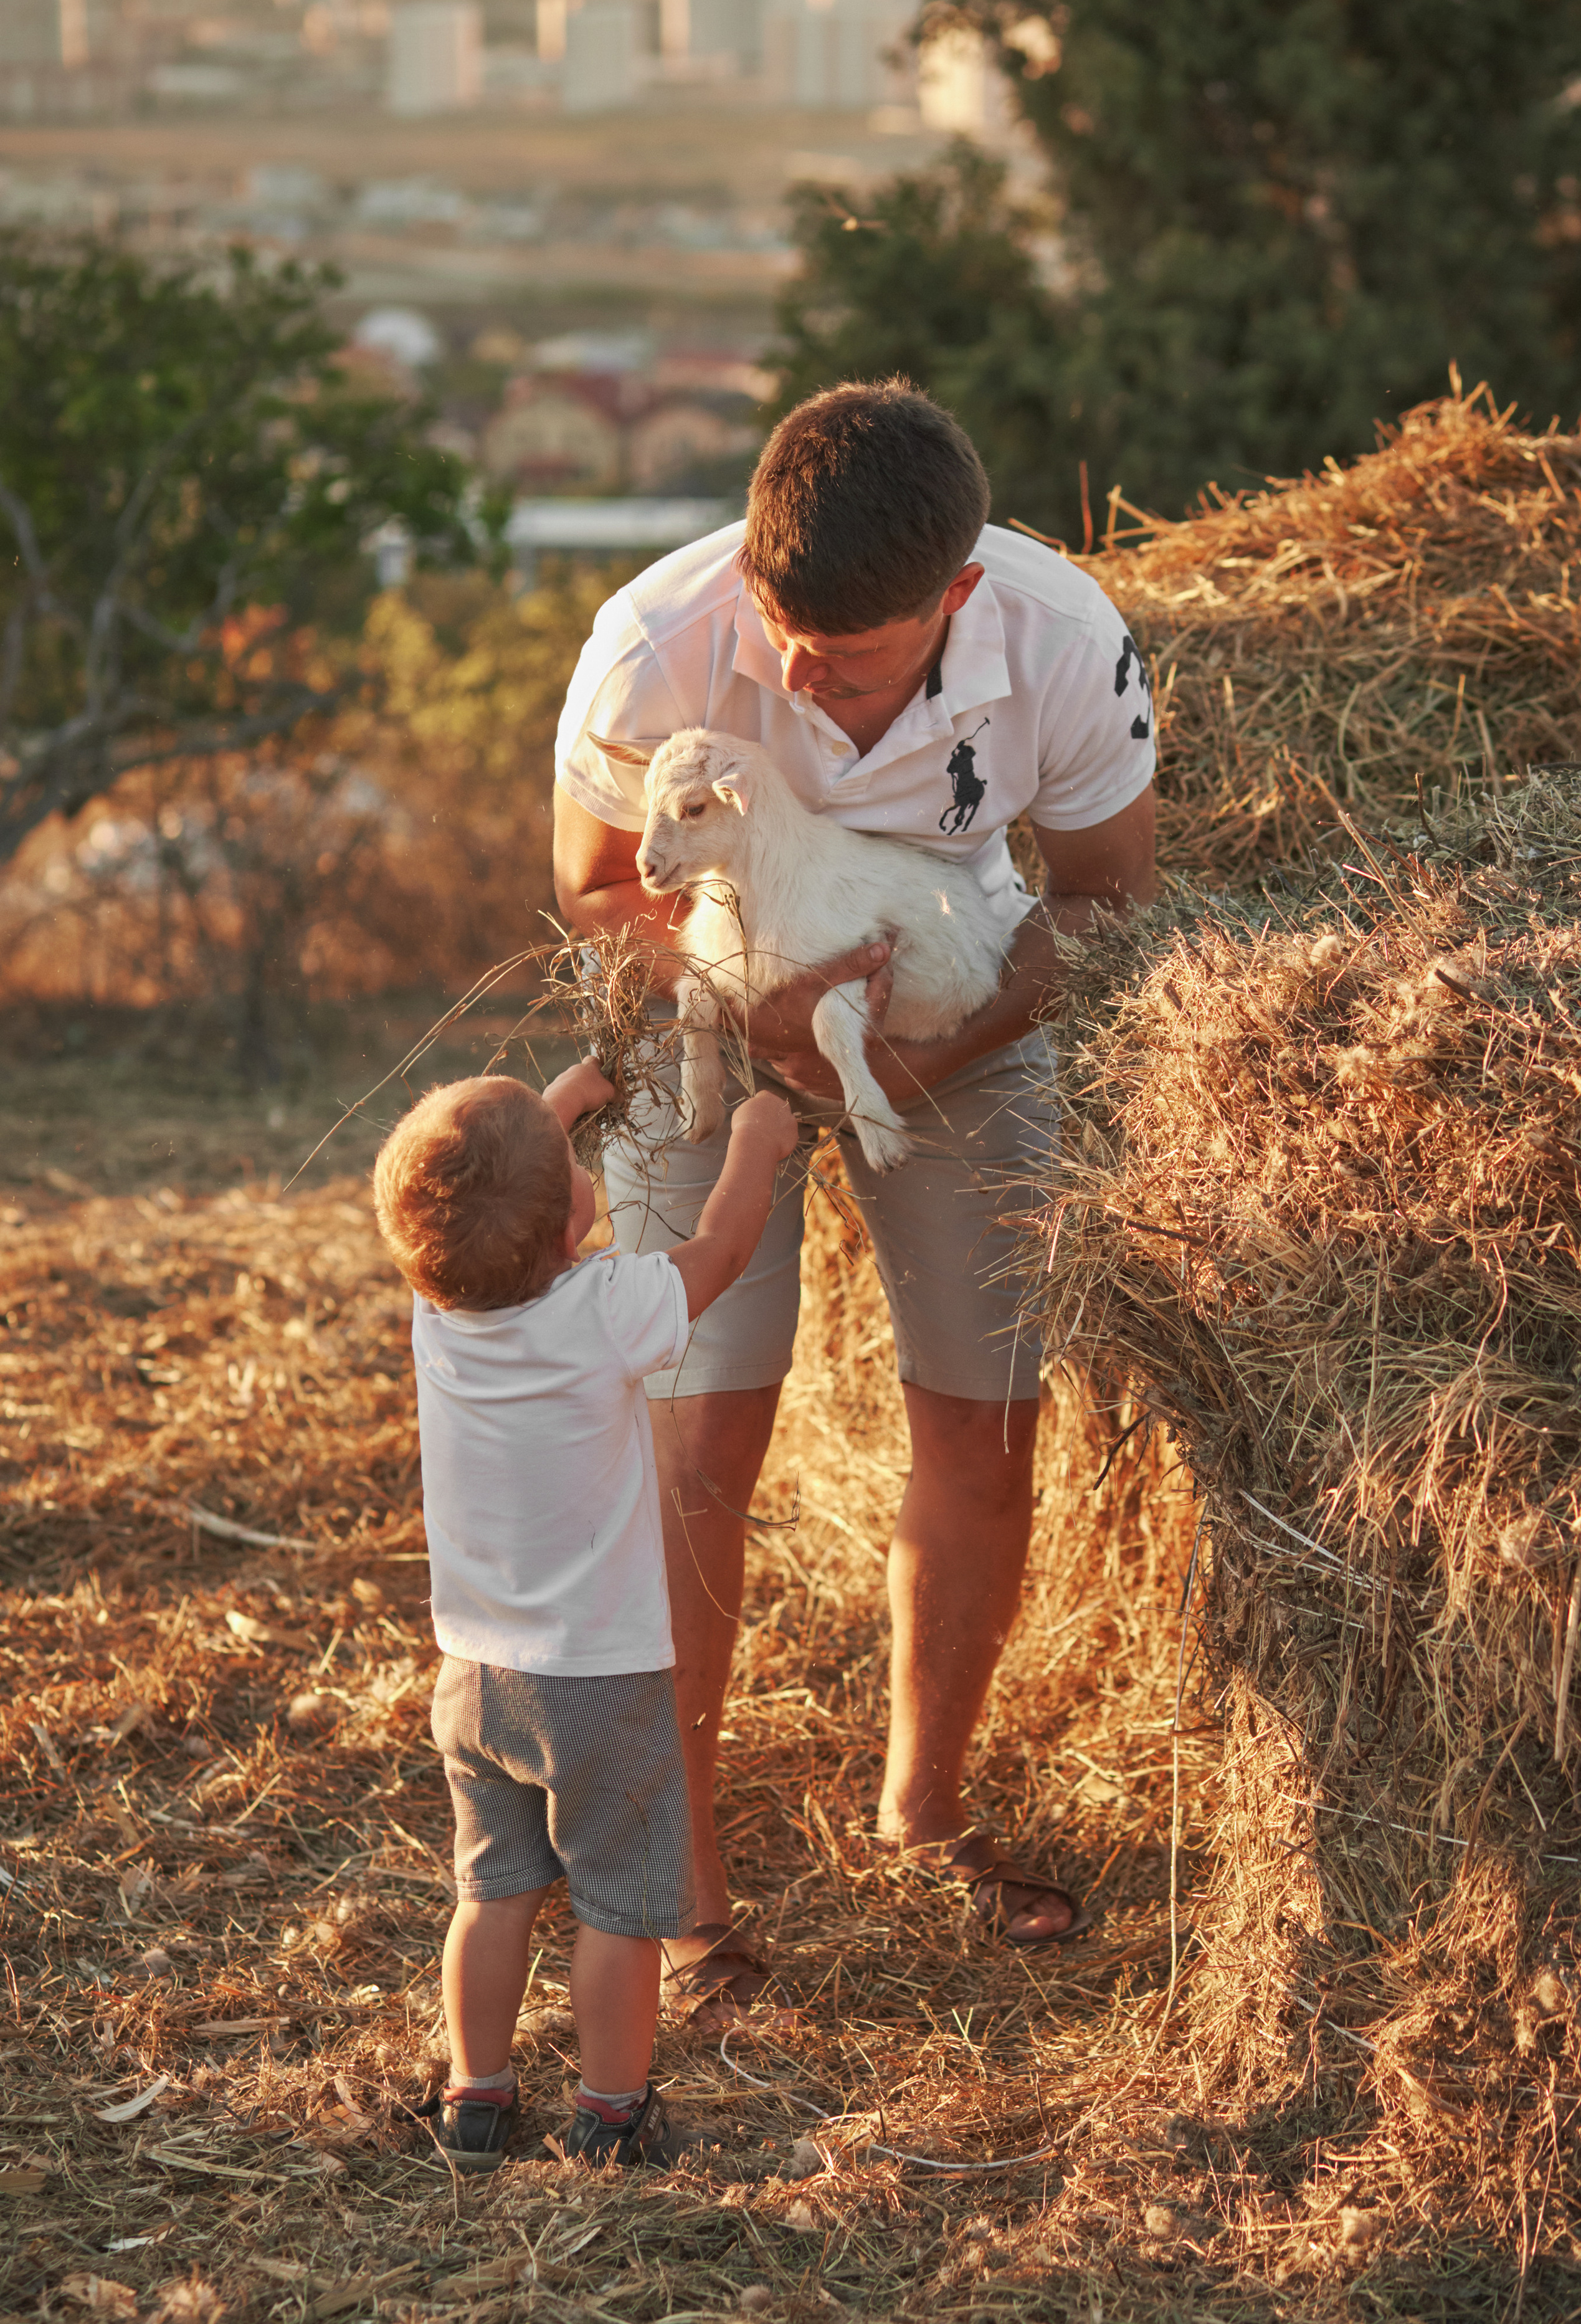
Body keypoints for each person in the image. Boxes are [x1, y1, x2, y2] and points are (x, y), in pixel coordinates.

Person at [551, 379, 1158, 2036]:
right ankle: (679, 1876)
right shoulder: (653, 642)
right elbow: (594, 886)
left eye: (855, 656)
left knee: (985, 1419)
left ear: (958, 600)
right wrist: (739, 1003)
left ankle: (926, 1808)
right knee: (693, 1443)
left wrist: (948, 1031)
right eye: (783, 635)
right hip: (709, 1024)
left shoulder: (1060, 632)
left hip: (968, 1014)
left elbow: (1106, 896)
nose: (802, 682)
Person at [371, 1060, 799, 2168]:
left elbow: (487, 1200)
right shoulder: (605, 1308)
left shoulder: (438, 1310)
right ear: (574, 1216)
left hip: (474, 1675)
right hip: (599, 1685)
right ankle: (611, 2114)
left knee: (494, 1890)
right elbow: (721, 1255)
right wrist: (756, 1139)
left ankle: (476, 2096)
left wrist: (562, 1104)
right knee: (619, 1908)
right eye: (567, 1164)